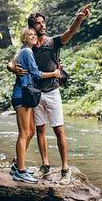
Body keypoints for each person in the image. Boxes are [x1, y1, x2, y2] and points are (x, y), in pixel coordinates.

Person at [7, 4, 91, 185]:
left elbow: (70, 31)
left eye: (43, 22)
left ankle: (65, 169)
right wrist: (13, 69)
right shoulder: (29, 45)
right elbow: (11, 63)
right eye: (38, 23)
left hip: (52, 91)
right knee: (39, 130)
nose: (42, 26)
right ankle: (44, 165)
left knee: (59, 129)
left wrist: (80, 18)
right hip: (34, 94)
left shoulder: (52, 42)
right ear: (32, 27)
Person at [10, 27, 60, 184]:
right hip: (22, 94)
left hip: (26, 94)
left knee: (31, 131)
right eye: (29, 35)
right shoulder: (27, 52)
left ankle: (18, 164)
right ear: (24, 38)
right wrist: (54, 73)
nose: (32, 36)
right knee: (24, 133)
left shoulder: (23, 51)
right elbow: (36, 73)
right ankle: (20, 172)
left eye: (34, 34)